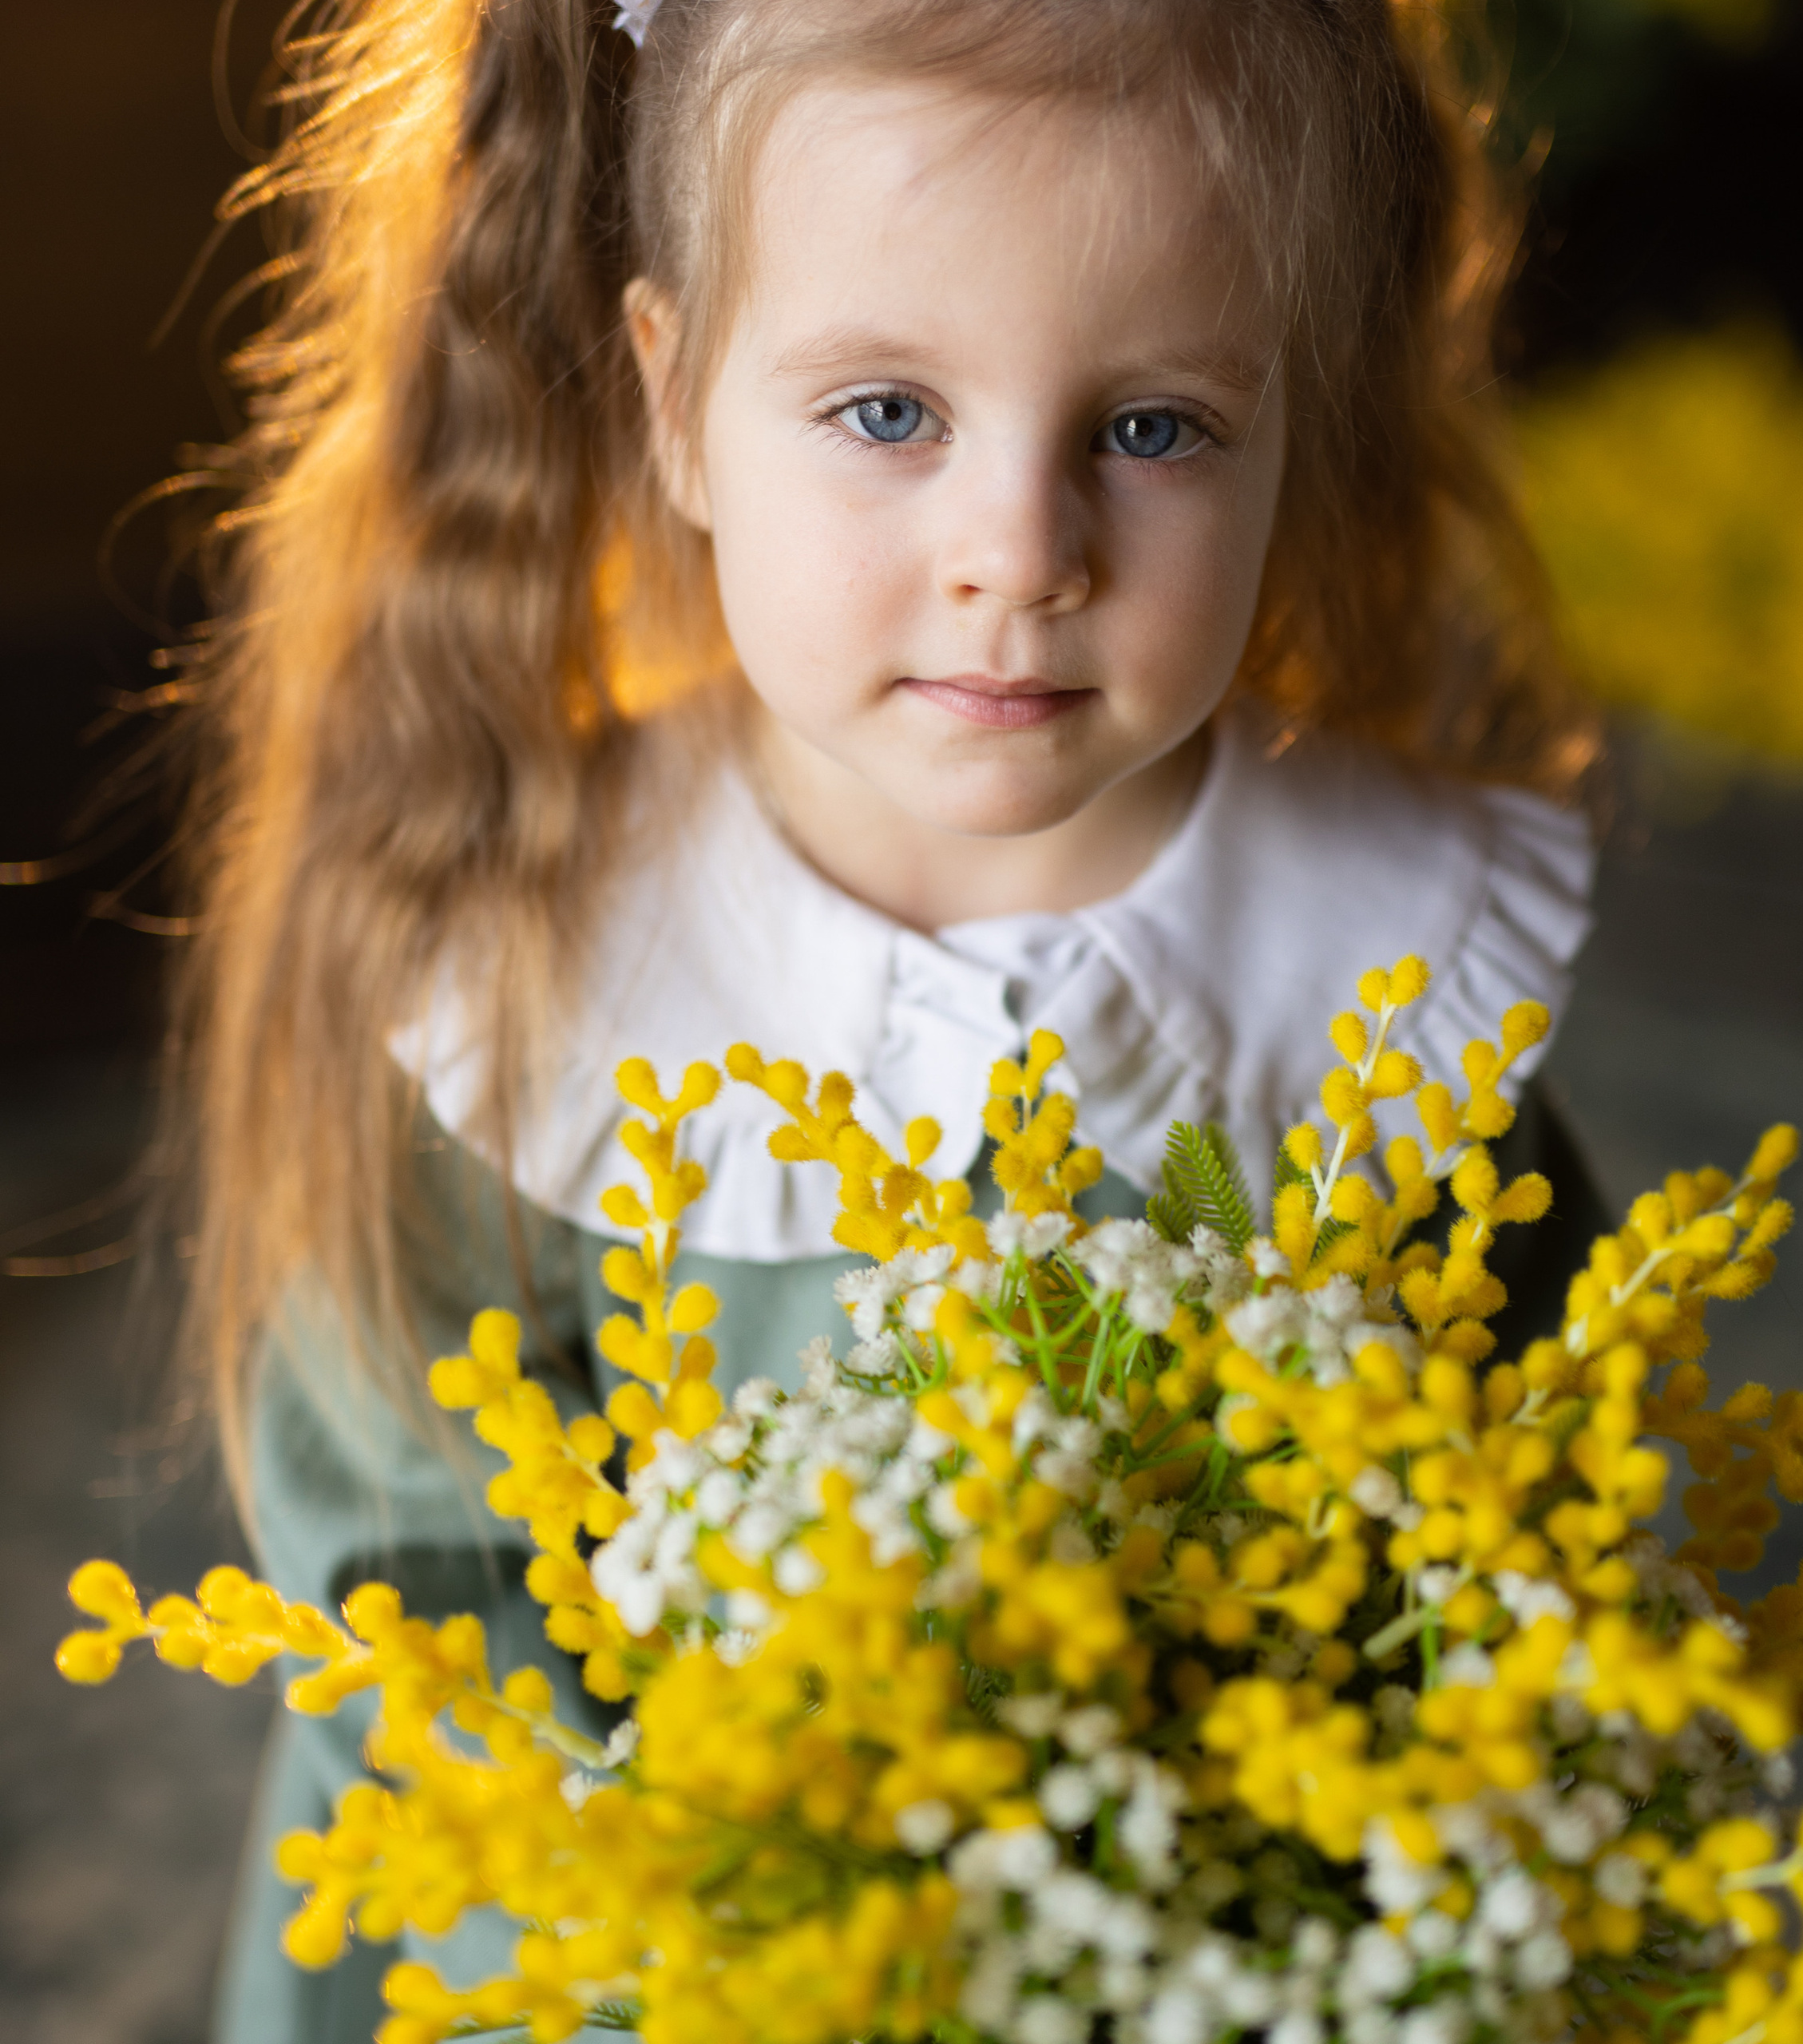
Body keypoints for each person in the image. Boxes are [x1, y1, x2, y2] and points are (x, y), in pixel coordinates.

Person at [171, 0, 1607, 2035]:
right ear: (674, 401)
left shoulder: (1390, 973)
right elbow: (412, 1585)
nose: (1017, 556)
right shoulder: (521, 945)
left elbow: (1543, 1547)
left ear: (1300, 419)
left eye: (1152, 426)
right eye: (884, 414)